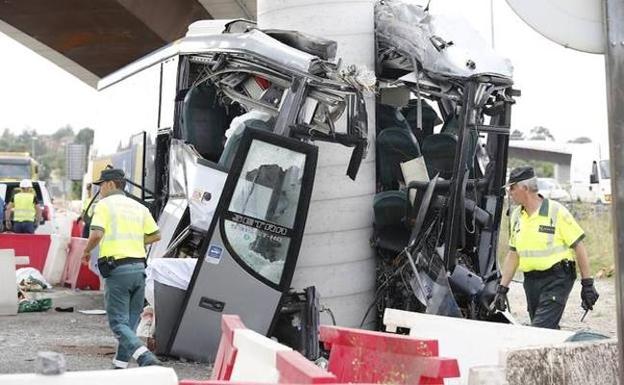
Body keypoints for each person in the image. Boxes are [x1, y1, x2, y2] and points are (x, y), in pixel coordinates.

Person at [492, 166, 600, 329]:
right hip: (531, 282)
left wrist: (587, 284)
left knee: (538, 330)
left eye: (512, 188)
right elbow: (513, 254)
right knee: (546, 333)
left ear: (525, 188)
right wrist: (502, 289)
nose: (510, 193)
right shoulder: (516, 216)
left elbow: (579, 246)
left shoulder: (556, 212)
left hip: (557, 279)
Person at [81, 168, 162, 368]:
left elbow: (97, 234)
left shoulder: (105, 205)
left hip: (118, 270)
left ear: (110, 184)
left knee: (118, 323)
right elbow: (155, 235)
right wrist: (137, 240)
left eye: (101, 186)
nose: (100, 190)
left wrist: (86, 251)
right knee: (130, 323)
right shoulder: (139, 207)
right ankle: (119, 366)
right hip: (139, 269)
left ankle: (145, 357)